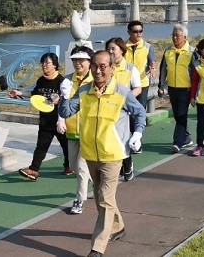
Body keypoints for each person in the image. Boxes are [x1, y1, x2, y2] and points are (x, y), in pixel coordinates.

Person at [59, 50, 146, 257]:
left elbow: (139, 112)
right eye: (95, 66)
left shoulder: (121, 92)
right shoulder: (83, 91)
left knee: (105, 199)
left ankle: (97, 248)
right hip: (90, 153)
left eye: (103, 66)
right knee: (101, 198)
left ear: (112, 68)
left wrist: (138, 132)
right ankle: (118, 227)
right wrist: (64, 96)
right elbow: (66, 112)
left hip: (113, 153)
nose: (98, 71)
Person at [11, 52, 70, 180]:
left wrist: (59, 101)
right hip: (45, 120)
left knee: (66, 146)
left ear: (55, 65)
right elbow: (34, 95)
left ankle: (68, 166)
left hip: (59, 120)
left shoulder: (62, 81)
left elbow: (68, 100)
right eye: (42, 63)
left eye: (47, 63)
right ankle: (33, 170)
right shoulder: (41, 80)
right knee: (41, 146)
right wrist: (19, 92)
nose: (44, 65)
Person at [57, 46, 94, 215]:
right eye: (74, 60)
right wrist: (61, 119)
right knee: (73, 165)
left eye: (81, 60)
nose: (77, 63)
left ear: (89, 62)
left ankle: (79, 200)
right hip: (72, 129)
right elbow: (62, 103)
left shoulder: (95, 80)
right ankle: (96, 180)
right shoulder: (67, 80)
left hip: (89, 130)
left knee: (81, 165)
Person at [106, 37, 142, 181]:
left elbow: (137, 88)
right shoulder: (104, 67)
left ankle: (127, 165)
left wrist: (125, 100)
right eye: (108, 49)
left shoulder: (130, 68)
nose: (110, 51)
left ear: (121, 50)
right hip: (105, 108)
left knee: (122, 140)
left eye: (113, 49)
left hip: (122, 110)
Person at [157, 24, 197, 153]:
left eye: (177, 36)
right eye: (173, 35)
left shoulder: (191, 52)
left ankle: (177, 142)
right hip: (172, 89)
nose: (175, 38)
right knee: (178, 116)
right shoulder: (168, 51)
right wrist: (161, 85)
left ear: (185, 37)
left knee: (181, 115)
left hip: (186, 90)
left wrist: (195, 93)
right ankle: (187, 138)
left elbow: (196, 73)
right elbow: (163, 69)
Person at [124, 20, 156, 110]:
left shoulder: (147, 46)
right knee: (127, 109)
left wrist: (152, 68)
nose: (138, 34)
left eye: (140, 31)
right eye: (135, 31)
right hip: (126, 83)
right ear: (129, 32)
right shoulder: (123, 47)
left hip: (142, 83)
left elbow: (152, 61)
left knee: (140, 109)